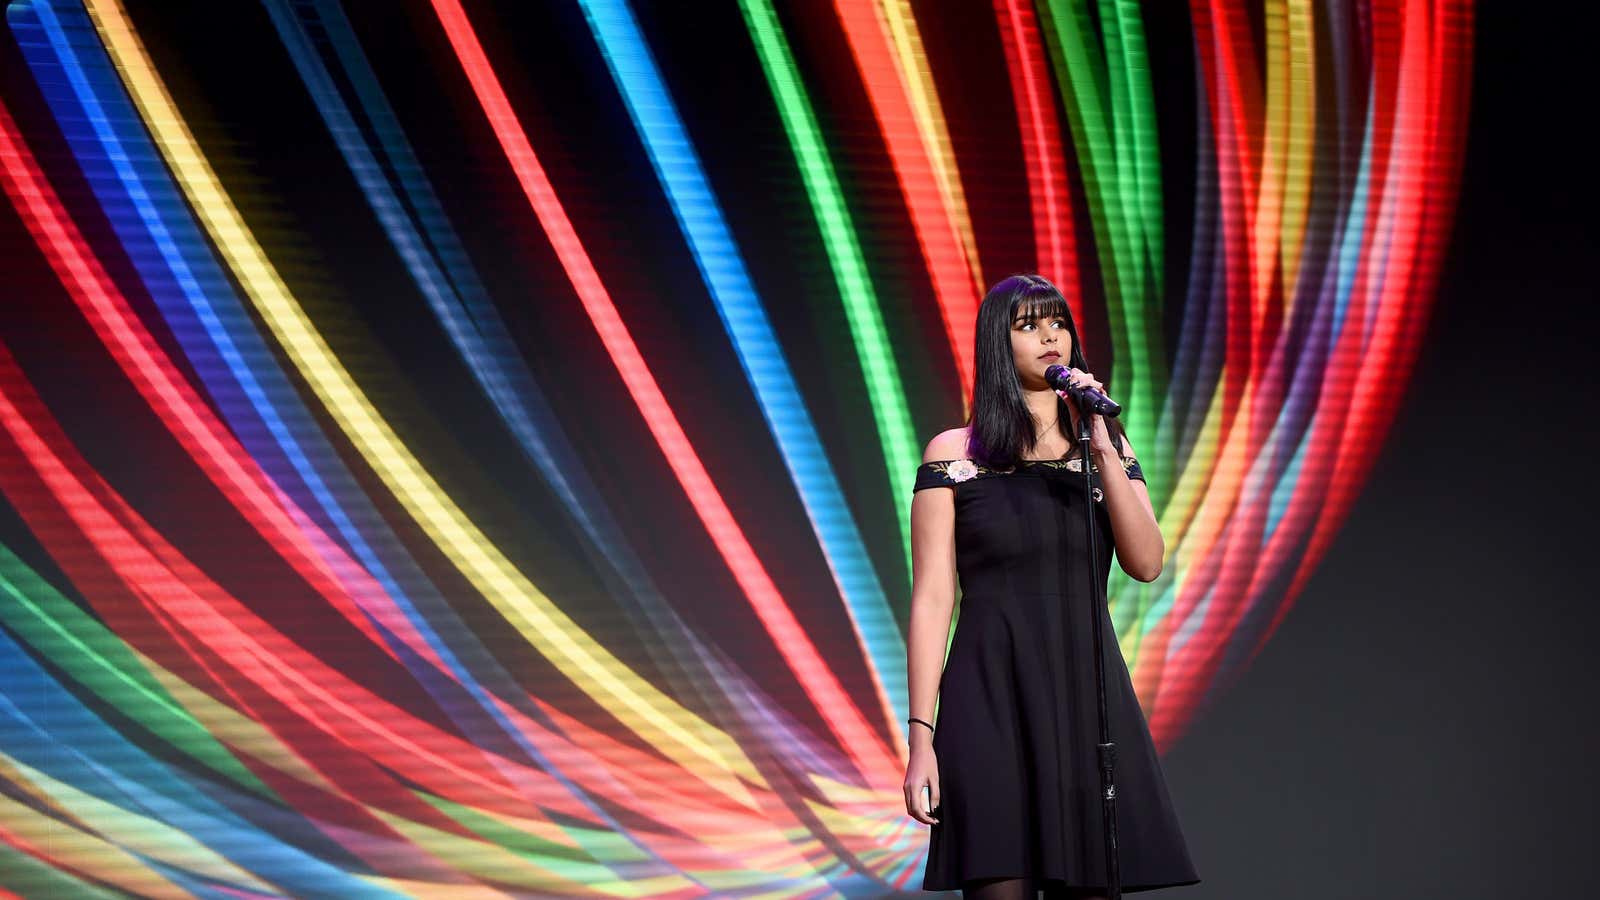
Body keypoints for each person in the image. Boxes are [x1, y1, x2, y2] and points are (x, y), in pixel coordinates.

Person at [903, 274, 1200, 898]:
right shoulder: (955, 455)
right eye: (1028, 325)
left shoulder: (1105, 447)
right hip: (988, 699)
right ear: (997, 343)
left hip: (1083, 701)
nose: (1049, 336)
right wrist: (920, 741)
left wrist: (1100, 442)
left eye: (1057, 322)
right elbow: (933, 599)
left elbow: (1146, 561)